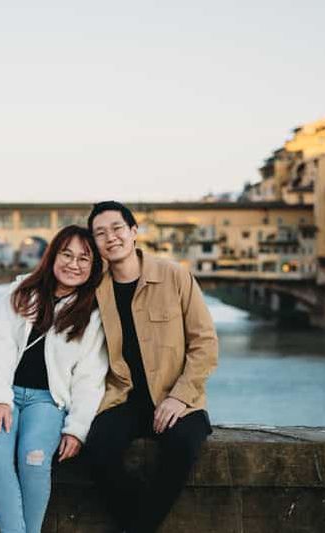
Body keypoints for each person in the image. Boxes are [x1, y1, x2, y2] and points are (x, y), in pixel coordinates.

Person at [85, 201, 218, 533]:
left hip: (178, 400)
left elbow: (205, 343)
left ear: (133, 232)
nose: (110, 238)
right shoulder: (93, 288)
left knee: (183, 448)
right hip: (122, 400)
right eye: (100, 233)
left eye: (117, 229)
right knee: (97, 450)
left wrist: (179, 397)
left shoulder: (174, 275)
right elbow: (48, 320)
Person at [0, 225, 109, 533]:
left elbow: (90, 377)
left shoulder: (92, 314)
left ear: (94, 267)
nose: (74, 264)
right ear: (53, 256)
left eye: (84, 259)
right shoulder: (20, 293)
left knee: (34, 460)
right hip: (1, 395)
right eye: (67, 254)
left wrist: (77, 430)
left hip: (47, 401)